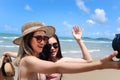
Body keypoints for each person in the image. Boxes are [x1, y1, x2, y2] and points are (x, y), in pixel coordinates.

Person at [3, 21, 120, 80]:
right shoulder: (29, 61)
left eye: (44, 38)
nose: (43, 42)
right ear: (28, 40)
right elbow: (56, 68)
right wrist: (100, 65)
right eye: (39, 38)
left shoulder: (35, 59)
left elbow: (18, 56)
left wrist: (8, 53)